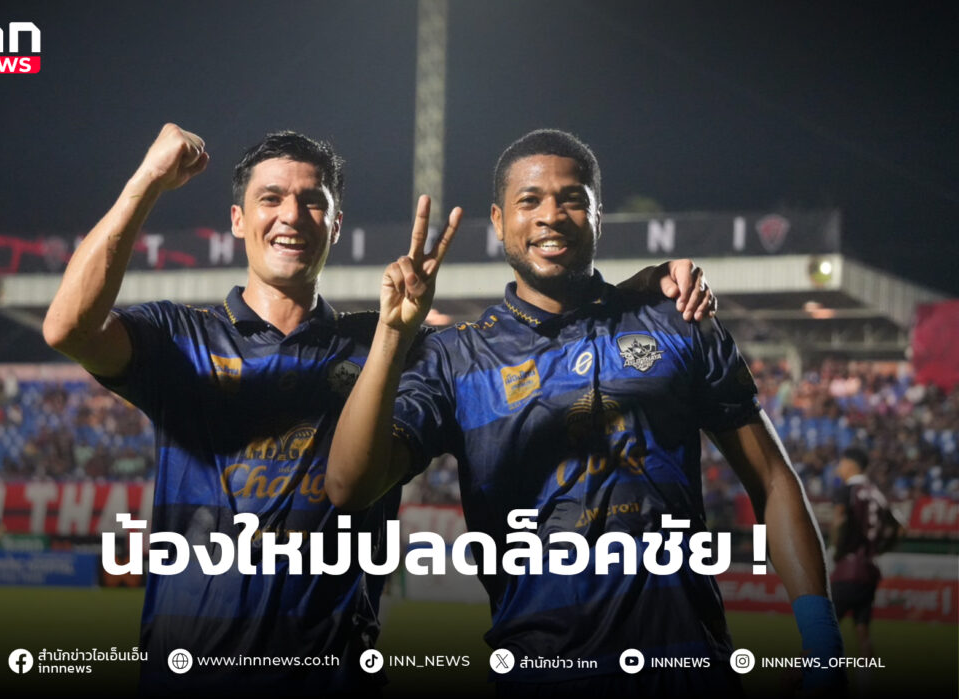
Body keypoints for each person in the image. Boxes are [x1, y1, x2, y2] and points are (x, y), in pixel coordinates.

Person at [42, 123, 714, 694]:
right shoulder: (181, 339)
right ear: (238, 220)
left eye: (313, 201)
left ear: (336, 223)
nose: (291, 215)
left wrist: (644, 290)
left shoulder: (393, 344)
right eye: (270, 198)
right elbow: (68, 326)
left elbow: (541, 323)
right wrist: (148, 181)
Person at [327, 129, 847, 695]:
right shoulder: (456, 360)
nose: (551, 215)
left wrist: (822, 642)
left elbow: (771, 478)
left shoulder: (676, 322)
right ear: (498, 221)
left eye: (572, 199)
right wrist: (392, 335)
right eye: (530, 200)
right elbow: (350, 487)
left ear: (598, 216)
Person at [830, 447, 901, 667]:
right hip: (869, 571)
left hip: (848, 569)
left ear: (851, 465)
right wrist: (880, 549)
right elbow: (900, 527)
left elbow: (839, 520)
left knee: (822, 628)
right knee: (862, 630)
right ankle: (865, 681)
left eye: (841, 463)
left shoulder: (847, 490)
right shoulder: (876, 492)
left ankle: (805, 677)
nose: (838, 468)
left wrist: (836, 550)